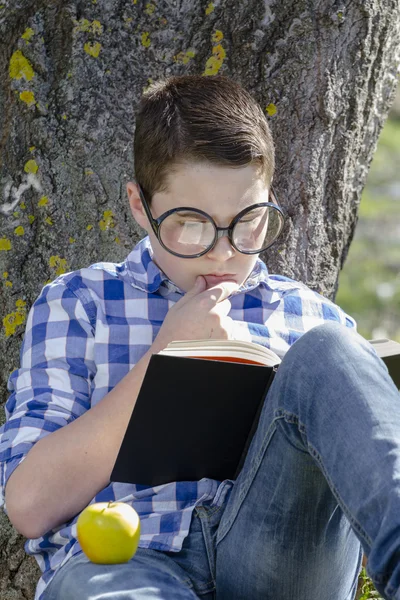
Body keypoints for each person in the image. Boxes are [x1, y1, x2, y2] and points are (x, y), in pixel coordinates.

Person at [0, 74, 399, 600]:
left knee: (332, 349)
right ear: (141, 206)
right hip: (126, 564)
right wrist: (165, 357)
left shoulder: (307, 314)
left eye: (247, 222)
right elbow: (30, 506)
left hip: (278, 562)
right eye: (190, 223)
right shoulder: (81, 303)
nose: (221, 251)